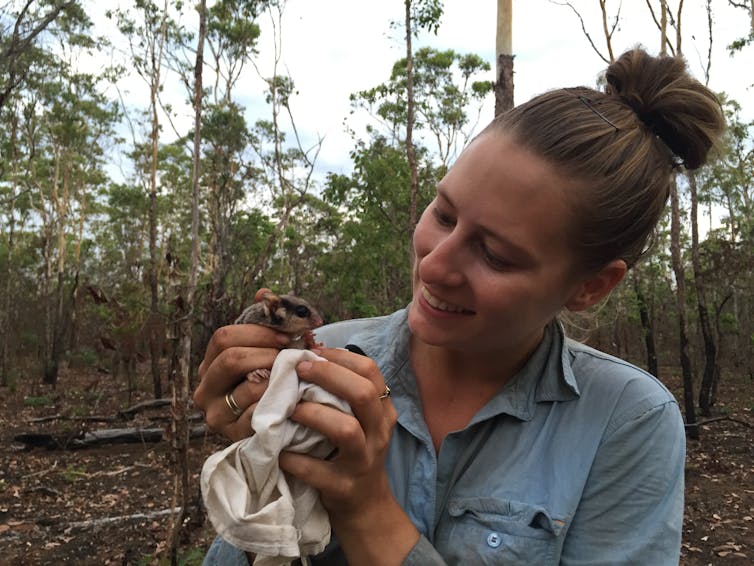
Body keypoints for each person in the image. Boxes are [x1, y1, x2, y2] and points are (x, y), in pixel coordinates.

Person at [194, 47, 725, 565]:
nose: (433, 267)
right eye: (444, 215)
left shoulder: (626, 421)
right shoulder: (325, 358)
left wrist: (365, 510)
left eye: (495, 255)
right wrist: (255, 460)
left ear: (590, 287)